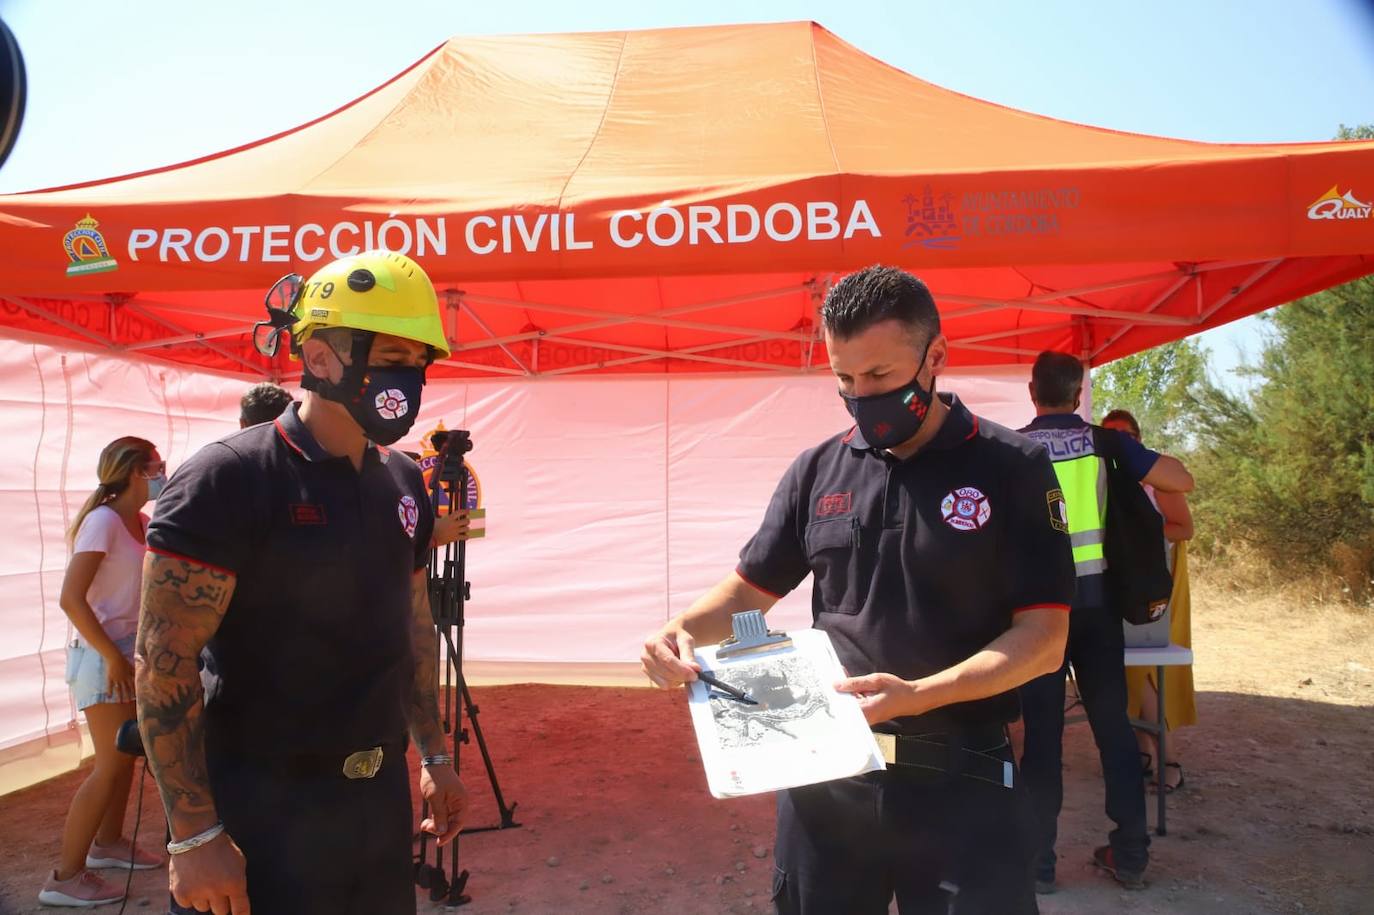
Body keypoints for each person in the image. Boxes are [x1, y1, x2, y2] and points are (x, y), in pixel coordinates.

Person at [641, 265, 1076, 914]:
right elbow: (746, 593)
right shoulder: (817, 470)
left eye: (879, 377)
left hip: (965, 782)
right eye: (844, 378)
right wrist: (676, 631)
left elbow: (1044, 640)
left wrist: (923, 694)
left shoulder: (1011, 467)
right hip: (828, 778)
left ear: (935, 358)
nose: (860, 394)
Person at [136, 250, 468, 915]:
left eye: (416, 359)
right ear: (318, 355)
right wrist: (194, 833)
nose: (403, 374)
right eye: (386, 351)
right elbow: (161, 664)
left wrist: (434, 754)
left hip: (375, 806)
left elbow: (410, 627)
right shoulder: (227, 479)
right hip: (258, 811)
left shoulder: (404, 482)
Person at [1017, 353, 1194, 893]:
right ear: (1078, 395)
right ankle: (1132, 856)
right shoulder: (1106, 442)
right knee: (1113, 731)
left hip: (1037, 614)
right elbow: (1180, 479)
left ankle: (1038, 867)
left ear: (1032, 391)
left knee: (1041, 740)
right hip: (1096, 609)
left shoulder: (1012, 448)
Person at [39, 437, 167, 908]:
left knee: (125, 756)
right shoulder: (103, 522)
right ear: (136, 470)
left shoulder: (140, 522)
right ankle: (63, 877)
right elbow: (72, 598)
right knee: (109, 766)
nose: (161, 473)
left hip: (123, 654)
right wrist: (111, 657)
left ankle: (108, 846)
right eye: (156, 466)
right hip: (100, 657)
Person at [1102, 409, 1196, 793]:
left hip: (1155, 587)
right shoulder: (1102, 480)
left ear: (1138, 438)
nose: (1121, 441)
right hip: (1117, 586)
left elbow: (1183, 528)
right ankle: (1141, 752)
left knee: (1147, 672)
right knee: (1125, 673)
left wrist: (1137, 534)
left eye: (1127, 434)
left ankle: (1169, 760)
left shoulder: (1157, 480)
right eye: (1111, 435)